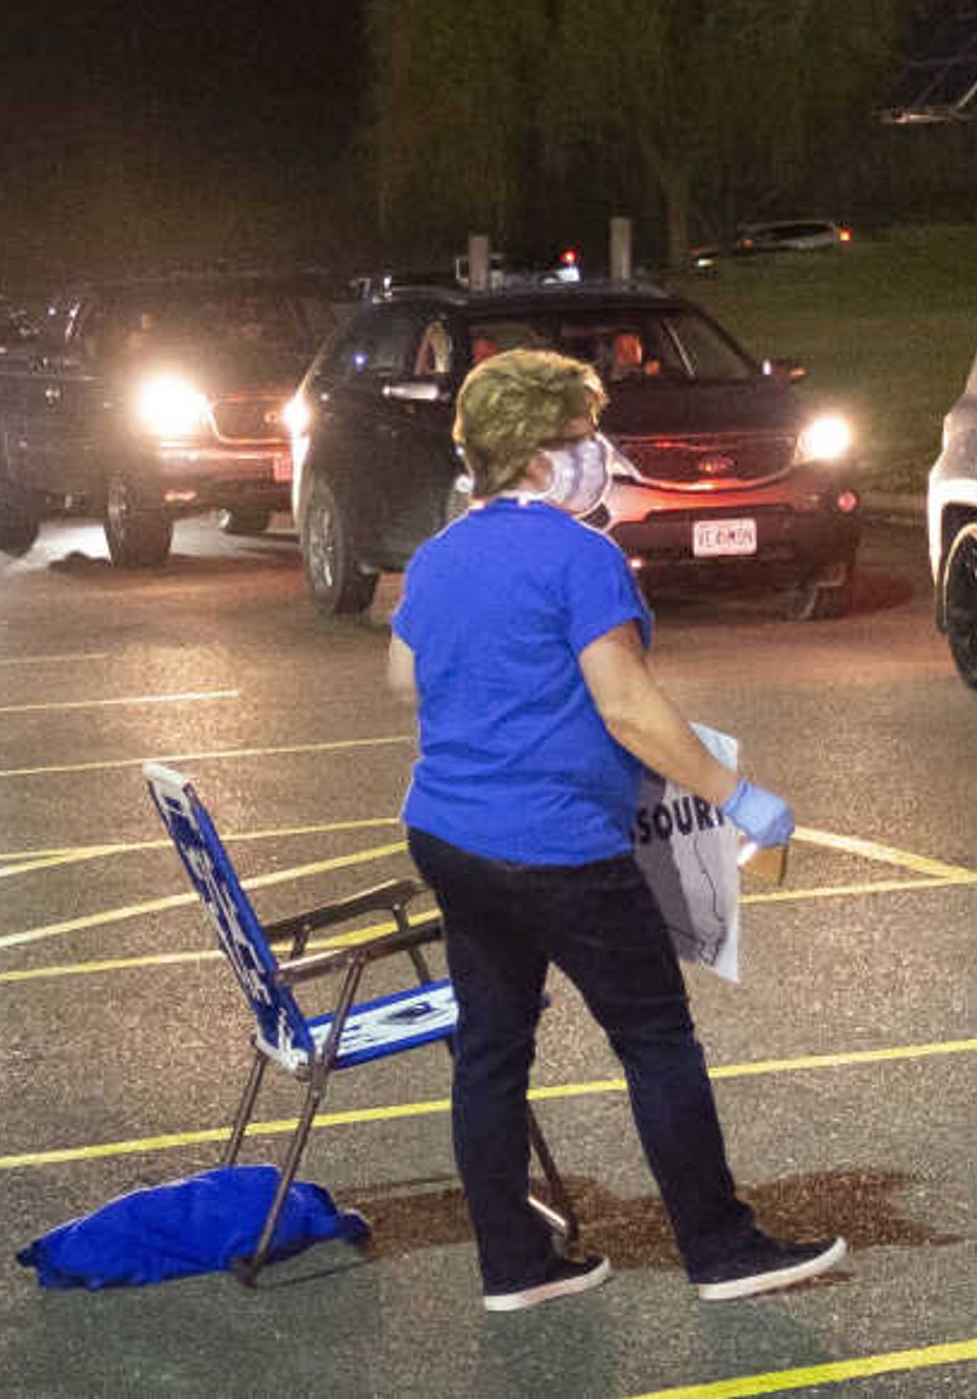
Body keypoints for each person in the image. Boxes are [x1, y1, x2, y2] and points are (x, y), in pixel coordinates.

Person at [385, 347, 843, 1313]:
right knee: (656, 1038)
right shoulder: (579, 555)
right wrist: (739, 794)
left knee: (493, 1049)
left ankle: (512, 1265)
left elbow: (404, 679)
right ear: (542, 457)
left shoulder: (437, 554)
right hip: (557, 846)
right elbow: (630, 708)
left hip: (450, 834)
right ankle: (721, 1248)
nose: (599, 451)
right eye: (584, 435)